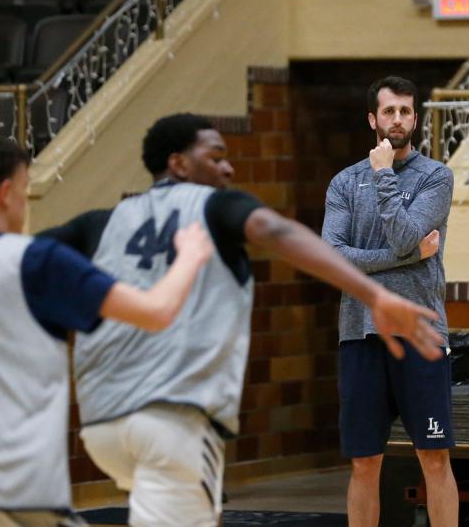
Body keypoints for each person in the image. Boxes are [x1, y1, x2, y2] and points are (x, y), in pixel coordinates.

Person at [72, 113, 444, 527]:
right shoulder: (217, 206)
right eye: (215, 158)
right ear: (178, 164)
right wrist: (374, 294)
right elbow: (277, 232)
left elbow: (22, 259)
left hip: (100, 419)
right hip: (169, 416)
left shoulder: (105, 221)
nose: (228, 168)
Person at [0, 137, 214, 527]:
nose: (25, 202)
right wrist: (191, 256)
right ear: (6, 192)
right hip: (17, 486)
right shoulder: (36, 261)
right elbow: (156, 312)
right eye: (26, 190)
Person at [322, 76, 459, 527]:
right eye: (388, 111)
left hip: (421, 334)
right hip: (360, 334)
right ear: (372, 119)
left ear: (415, 118)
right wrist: (401, 257)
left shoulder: (436, 177)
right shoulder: (344, 183)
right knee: (364, 462)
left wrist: (383, 175)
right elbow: (333, 257)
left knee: (434, 457)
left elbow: (404, 233)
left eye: (404, 111)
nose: (397, 119)